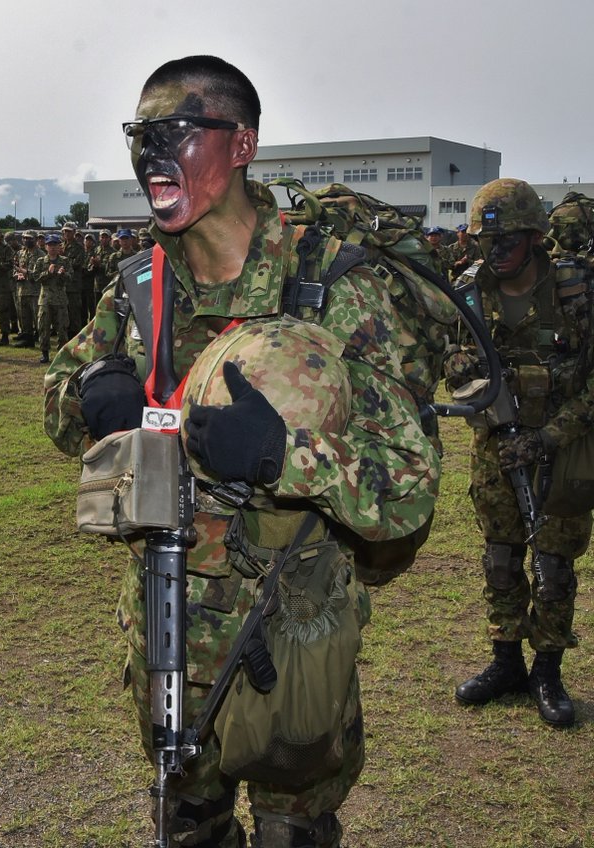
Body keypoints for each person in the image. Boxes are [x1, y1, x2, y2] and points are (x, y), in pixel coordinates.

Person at [43, 55, 438, 846]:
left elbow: (408, 487)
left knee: (295, 828)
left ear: (243, 144)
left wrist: (282, 456)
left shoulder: (330, 284)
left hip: (289, 621)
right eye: (140, 134)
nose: (151, 153)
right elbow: (58, 391)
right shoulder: (141, 287)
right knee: (190, 824)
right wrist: (90, 398)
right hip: (165, 614)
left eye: (177, 130)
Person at [449, 178, 592, 729]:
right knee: (501, 559)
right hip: (496, 448)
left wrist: (548, 436)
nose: (496, 251)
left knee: (553, 565)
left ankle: (547, 671)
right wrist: (459, 369)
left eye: (507, 240)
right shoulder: (468, 290)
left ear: (534, 236)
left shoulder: (576, 290)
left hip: (561, 447)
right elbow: (450, 353)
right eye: (487, 241)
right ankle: (506, 660)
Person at [33, 232, 71, 364]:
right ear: (46, 247)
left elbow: (70, 278)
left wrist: (63, 274)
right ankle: (45, 353)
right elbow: (35, 278)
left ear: (59, 246)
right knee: (43, 327)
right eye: (50, 245)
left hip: (60, 300)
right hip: (45, 300)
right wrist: (47, 272)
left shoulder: (65, 261)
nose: (53, 247)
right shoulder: (40, 261)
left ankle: (62, 354)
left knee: (62, 328)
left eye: (55, 245)